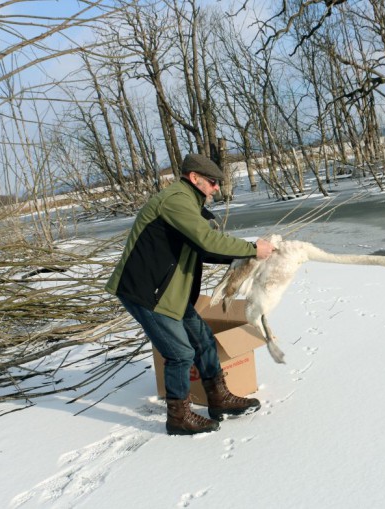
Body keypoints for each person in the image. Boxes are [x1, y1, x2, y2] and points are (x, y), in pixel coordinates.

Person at [105, 153, 275, 436]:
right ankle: (179, 417)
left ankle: (219, 399)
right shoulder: (176, 200)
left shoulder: (188, 203)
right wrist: (252, 249)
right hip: (146, 291)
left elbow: (205, 249)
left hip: (170, 292)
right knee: (180, 353)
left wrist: (245, 260)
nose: (216, 188)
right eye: (212, 182)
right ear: (194, 178)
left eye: (218, 183)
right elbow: (206, 239)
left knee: (203, 339)